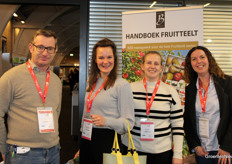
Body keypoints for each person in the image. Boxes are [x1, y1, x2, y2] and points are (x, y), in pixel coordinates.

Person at [0, 29, 62, 164]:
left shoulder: (56, 81)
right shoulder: (11, 77)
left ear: (55, 51)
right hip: (22, 155)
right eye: (40, 47)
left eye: (50, 48)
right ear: (31, 48)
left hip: (53, 152)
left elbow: (56, 113)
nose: (45, 52)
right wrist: (3, 148)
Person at [75, 38, 134, 164]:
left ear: (115, 59)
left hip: (108, 141)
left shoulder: (121, 85)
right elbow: (87, 113)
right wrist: (82, 145)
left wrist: (106, 121)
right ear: (95, 60)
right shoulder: (91, 82)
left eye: (109, 57)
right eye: (101, 58)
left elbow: (129, 123)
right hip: (88, 138)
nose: (105, 61)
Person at [122, 51, 184, 164]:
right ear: (142, 66)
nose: (152, 66)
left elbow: (178, 124)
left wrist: (178, 155)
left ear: (161, 68)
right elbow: (122, 119)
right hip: (132, 150)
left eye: (156, 64)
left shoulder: (171, 92)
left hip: (161, 153)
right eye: (149, 63)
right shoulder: (129, 89)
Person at [184, 46, 232, 164]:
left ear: (209, 60)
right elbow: (188, 120)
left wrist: (227, 146)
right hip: (202, 150)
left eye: (202, 57)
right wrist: (195, 145)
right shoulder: (190, 89)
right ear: (190, 64)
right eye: (194, 59)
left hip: (222, 150)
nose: (199, 61)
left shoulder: (227, 82)